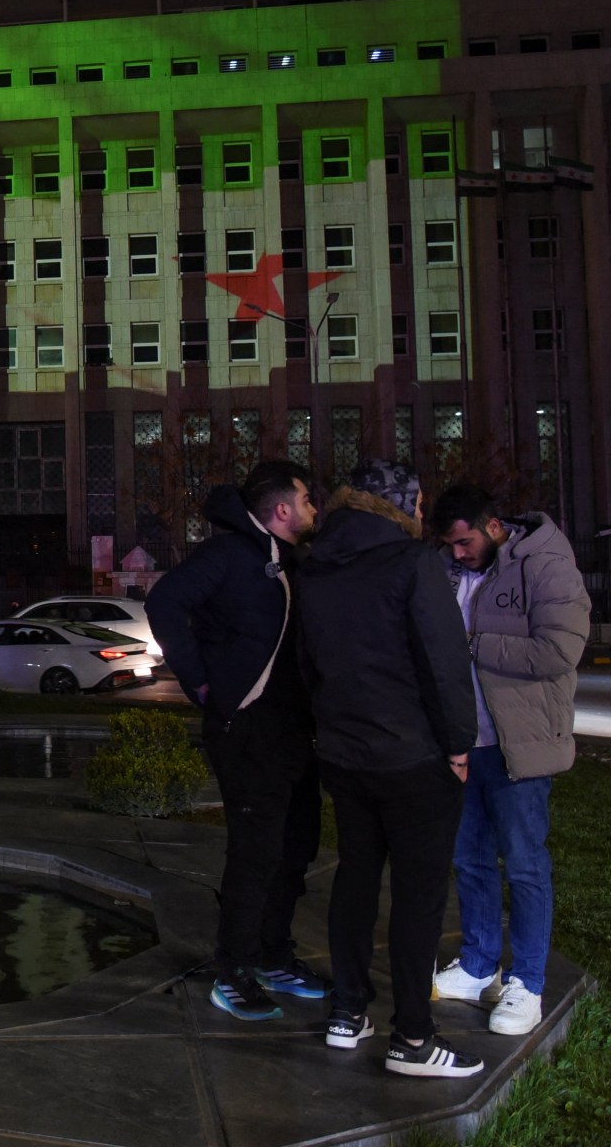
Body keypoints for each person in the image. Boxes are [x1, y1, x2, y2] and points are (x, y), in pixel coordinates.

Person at [299, 459, 480, 1077]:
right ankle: (413, 1038)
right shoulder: (414, 563)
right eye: (419, 504)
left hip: (346, 756)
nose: (424, 515)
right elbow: (444, 663)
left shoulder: (315, 567)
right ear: (399, 506)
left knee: (355, 878)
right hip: (413, 757)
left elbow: (309, 667)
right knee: (419, 897)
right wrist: (459, 745)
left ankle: (348, 1012)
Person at [145, 460, 325, 1023]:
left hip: (295, 731)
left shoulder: (295, 562)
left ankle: (275, 956)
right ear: (281, 510)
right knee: (256, 854)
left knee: (295, 848)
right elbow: (165, 602)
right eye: (307, 499)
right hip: (246, 730)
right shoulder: (228, 557)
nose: (314, 510)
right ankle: (236, 971)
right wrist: (204, 684)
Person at [428, 483, 589, 1036]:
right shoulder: (449, 570)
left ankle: (527, 982)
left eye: (464, 541)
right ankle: (477, 966)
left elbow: (559, 651)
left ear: (494, 527)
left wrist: (471, 643)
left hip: (517, 744)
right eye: (448, 544)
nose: (457, 553)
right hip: (460, 743)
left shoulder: (546, 563)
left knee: (523, 864)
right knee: (469, 860)